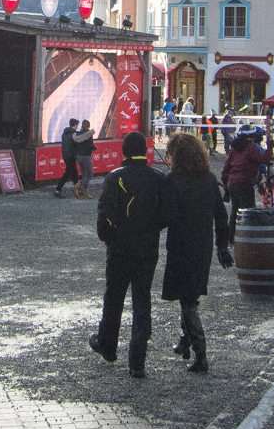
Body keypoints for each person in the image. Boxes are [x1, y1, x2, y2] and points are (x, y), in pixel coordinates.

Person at [91, 130, 171, 378]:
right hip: (147, 248)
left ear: (124, 151)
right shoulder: (158, 178)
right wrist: (150, 230)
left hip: (120, 248)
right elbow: (166, 215)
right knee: (142, 299)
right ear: (145, 151)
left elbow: (105, 217)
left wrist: (110, 238)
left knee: (114, 296)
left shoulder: (116, 177)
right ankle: (137, 360)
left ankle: (108, 345)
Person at [161, 133, 233, 373]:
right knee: (189, 296)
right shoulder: (209, 178)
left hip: (181, 245)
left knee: (188, 300)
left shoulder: (173, 180)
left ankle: (200, 354)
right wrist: (222, 247)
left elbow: (166, 217)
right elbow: (221, 215)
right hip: (203, 246)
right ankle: (185, 342)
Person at [221, 124, 271, 243]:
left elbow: (227, 166)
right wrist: (270, 149)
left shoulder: (234, 149)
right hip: (245, 183)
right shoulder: (251, 147)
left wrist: (225, 183)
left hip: (233, 184)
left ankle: (231, 237)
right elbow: (264, 159)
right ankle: (246, 237)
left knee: (234, 212)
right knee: (247, 211)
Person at [54, 118, 80, 198]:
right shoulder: (74, 134)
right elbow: (76, 144)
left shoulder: (65, 133)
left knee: (74, 172)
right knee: (68, 173)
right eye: (77, 125)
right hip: (71, 155)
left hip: (65, 155)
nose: (77, 127)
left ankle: (77, 189)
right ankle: (57, 190)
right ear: (75, 125)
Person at [73, 119, 97, 197]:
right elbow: (90, 145)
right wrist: (94, 147)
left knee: (84, 175)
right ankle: (77, 186)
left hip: (79, 156)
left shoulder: (78, 134)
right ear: (88, 126)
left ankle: (85, 193)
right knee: (89, 175)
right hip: (86, 156)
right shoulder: (89, 134)